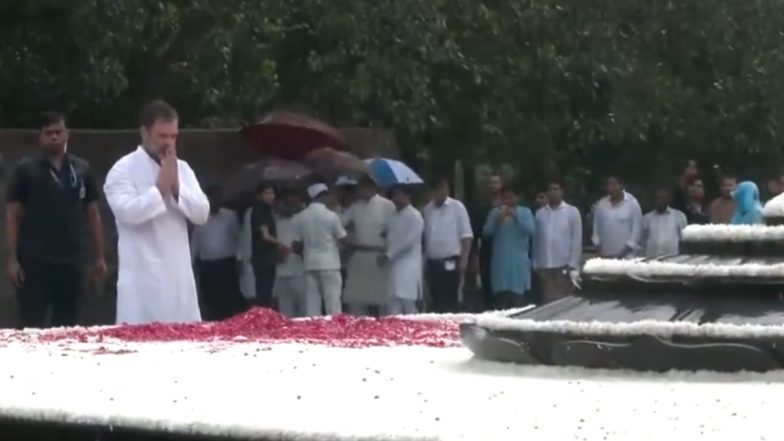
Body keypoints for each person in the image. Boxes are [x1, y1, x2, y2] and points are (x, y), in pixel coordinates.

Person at [104, 100, 209, 324]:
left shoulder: (182, 169)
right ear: (144, 132)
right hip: (142, 279)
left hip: (178, 275)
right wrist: (160, 189)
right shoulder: (122, 170)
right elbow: (128, 213)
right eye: (162, 136)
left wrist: (176, 188)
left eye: (173, 136)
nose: (169, 143)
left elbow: (202, 213)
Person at [5, 111, 106, 328]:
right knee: (31, 325)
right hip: (35, 261)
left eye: (58, 132)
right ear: (40, 136)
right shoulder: (26, 169)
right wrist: (12, 259)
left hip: (71, 259)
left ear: (67, 134)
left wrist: (99, 256)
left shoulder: (81, 169)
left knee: (67, 326)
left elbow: (92, 212)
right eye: (48, 133)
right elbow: (13, 214)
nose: (54, 137)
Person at [191, 186, 246, 321]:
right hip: (207, 264)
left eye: (218, 197)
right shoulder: (200, 218)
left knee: (229, 295)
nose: (216, 200)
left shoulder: (230, 215)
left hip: (226, 262)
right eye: (213, 197)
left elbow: (239, 236)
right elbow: (196, 240)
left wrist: (239, 258)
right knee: (210, 297)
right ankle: (214, 321)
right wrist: (191, 261)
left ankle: (230, 322)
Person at [342, 175, 395, 315]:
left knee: (384, 300)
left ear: (369, 188)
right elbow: (340, 224)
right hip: (360, 254)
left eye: (361, 188)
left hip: (379, 255)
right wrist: (348, 236)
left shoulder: (387, 205)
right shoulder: (355, 206)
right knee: (356, 299)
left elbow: (395, 227)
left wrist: (387, 234)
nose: (359, 192)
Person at [294, 183, 348, 315]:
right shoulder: (331, 215)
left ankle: (314, 332)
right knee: (333, 302)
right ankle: (334, 331)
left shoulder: (300, 217)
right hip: (329, 264)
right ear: (323, 195)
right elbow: (343, 238)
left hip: (309, 264)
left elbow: (296, 245)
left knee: (312, 303)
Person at [423, 177, 473, 313]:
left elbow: (466, 236)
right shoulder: (427, 209)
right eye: (438, 190)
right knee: (435, 300)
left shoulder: (457, 207)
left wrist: (464, 260)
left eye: (444, 189)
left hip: (451, 261)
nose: (441, 192)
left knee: (450, 300)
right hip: (433, 262)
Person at [482, 186, 535, 309]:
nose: (508, 200)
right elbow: (486, 232)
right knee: (501, 302)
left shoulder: (525, 212)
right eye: (505, 197)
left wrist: (516, 217)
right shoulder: (495, 213)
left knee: (518, 302)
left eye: (511, 197)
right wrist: (498, 220)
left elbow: (531, 230)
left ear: (516, 198)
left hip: (518, 263)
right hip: (500, 263)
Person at [532, 181, 582, 304]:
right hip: (545, 265)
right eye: (550, 189)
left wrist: (573, 264)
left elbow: (576, 239)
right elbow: (536, 239)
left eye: (556, 189)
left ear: (561, 192)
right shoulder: (540, 213)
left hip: (564, 265)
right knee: (547, 302)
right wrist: (535, 263)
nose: (553, 192)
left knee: (564, 302)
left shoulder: (572, 211)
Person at [378, 185, 424, 315]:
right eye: (394, 195)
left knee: (408, 304)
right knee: (392, 303)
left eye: (399, 195)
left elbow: (409, 242)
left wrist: (388, 255)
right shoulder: (392, 215)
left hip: (408, 265)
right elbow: (388, 234)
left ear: (407, 196)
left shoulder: (415, 216)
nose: (395, 198)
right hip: (393, 266)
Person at [274, 190, 309, 317]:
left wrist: (299, 249)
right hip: (281, 272)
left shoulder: (305, 222)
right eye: (288, 202)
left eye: (294, 202)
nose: (290, 205)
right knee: (285, 311)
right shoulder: (276, 223)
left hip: (300, 272)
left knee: (304, 310)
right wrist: (277, 254)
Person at [250, 183, 284, 308]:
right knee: (265, 292)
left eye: (272, 193)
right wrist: (282, 244)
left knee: (264, 291)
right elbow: (266, 235)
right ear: (259, 196)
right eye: (266, 193)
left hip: (264, 256)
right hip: (264, 256)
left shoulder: (266, 210)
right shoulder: (261, 209)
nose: (270, 196)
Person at [591, 176, 643, 258]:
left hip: (626, 257)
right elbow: (596, 231)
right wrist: (599, 249)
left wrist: (622, 254)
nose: (611, 187)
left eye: (614, 184)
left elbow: (636, 232)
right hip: (605, 257)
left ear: (622, 185)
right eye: (609, 184)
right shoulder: (601, 204)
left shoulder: (632, 203)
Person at [473, 174, 503, 311]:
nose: (493, 186)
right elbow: (476, 233)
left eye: (496, 182)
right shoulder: (481, 207)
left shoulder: (507, 205)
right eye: (491, 183)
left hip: (504, 251)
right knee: (487, 287)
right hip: (486, 252)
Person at [641, 188, 688, 258]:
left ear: (668, 199)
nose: (660, 201)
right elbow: (642, 241)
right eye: (658, 198)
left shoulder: (679, 216)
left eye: (662, 198)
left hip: (673, 258)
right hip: (652, 259)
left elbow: (684, 239)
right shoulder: (646, 218)